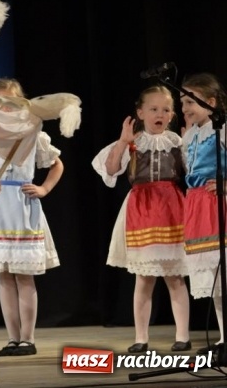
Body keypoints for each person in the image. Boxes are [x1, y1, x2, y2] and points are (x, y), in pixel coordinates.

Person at [92, 85, 189, 352]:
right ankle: (141, 337)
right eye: (154, 109)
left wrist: (189, 144)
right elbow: (111, 169)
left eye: (166, 110)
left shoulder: (177, 142)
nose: (160, 114)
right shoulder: (133, 142)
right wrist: (123, 141)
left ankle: (182, 335)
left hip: (171, 210)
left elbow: (191, 173)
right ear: (141, 113)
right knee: (144, 278)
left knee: (175, 276)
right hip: (142, 210)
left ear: (172, 115)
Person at [0, 78, 63, 357]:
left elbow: (56, 164)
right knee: (4, 277)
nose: (5, 109)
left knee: (24, 277)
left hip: (22, 208)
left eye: (11, 103)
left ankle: (27, 338)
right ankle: (12, 338)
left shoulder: (32, 133)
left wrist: (44, 188)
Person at [179, 73, 227, 355]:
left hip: (218, 204)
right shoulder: (192, 134)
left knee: (224, 271)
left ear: (211, 102)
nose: (184, 107)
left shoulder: (223, 130)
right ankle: (223, 339)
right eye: (182, 102)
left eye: (190, 101)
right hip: (197, 206)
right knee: (214, 280)